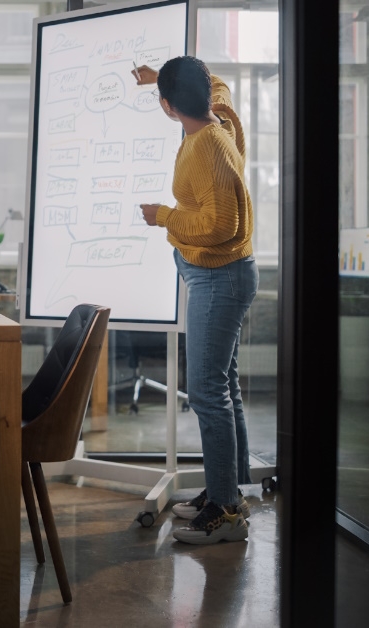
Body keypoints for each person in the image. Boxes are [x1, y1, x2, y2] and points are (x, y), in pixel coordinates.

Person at [134, 57, 257, 545]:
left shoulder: (208, 145)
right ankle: (230, 490)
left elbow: (220, 226)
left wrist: (163, 215)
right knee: (224, 384)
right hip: (218, 274)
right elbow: (218, 82)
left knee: (207, 391)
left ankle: (226, 513)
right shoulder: (221, 115)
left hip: (217, 277)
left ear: (167, 106)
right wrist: (157, 78)